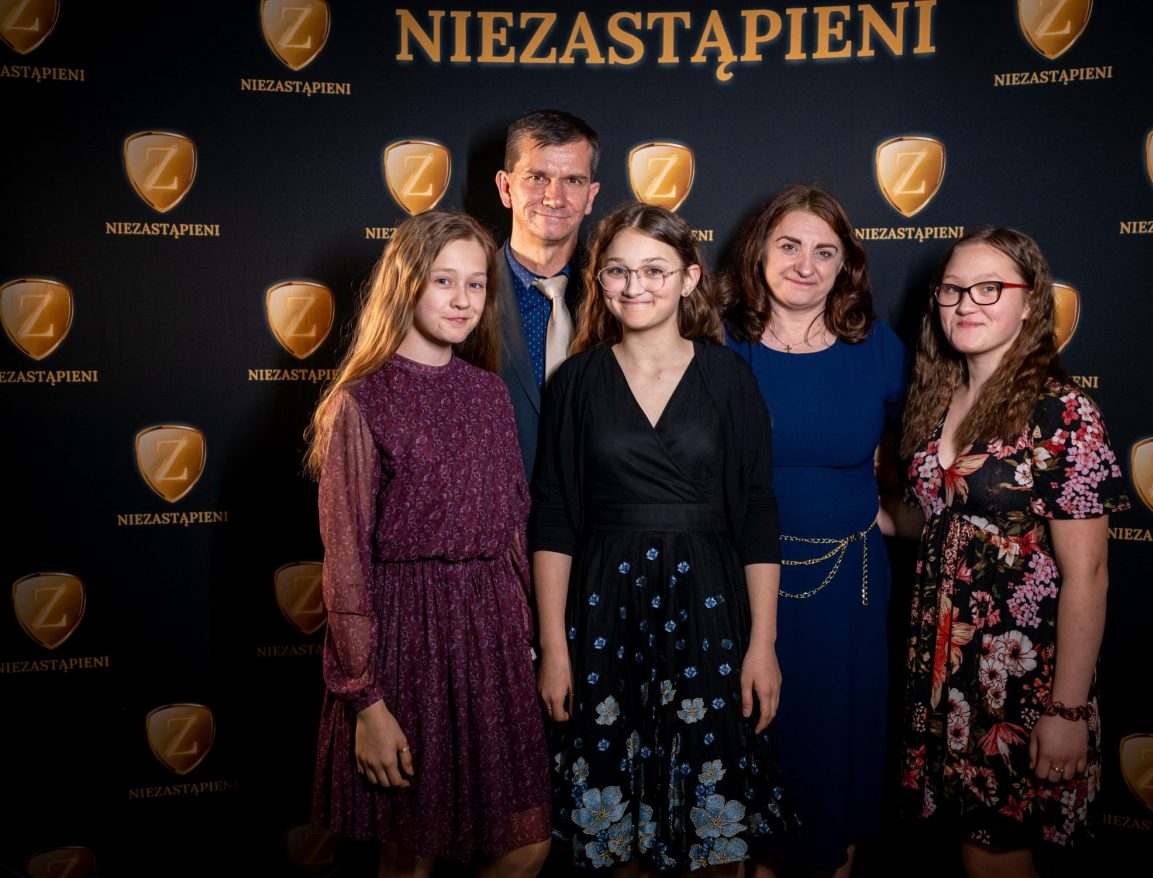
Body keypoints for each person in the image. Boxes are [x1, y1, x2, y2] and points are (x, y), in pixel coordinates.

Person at [531, 202, 796, 872]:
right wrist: (554, 647)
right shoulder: (576, 381)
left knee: (716, 831)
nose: (635, 286)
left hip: (707, 609)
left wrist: (762, 643)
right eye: (618, 271)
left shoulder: (729, 376)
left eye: (654, 270)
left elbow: (757, 514)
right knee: (612, 832)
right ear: (600, 280)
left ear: (688, 279)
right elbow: (554, 517)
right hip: (603, 614)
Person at [305, 211, 550, 878]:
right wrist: (365, 702)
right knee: (411, 856)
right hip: (407, 638)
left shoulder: (489, 394)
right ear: (405, 283)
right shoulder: (362, 401)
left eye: (477, 283)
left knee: (528, 842)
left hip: (491, 636)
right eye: (444, 280)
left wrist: (528, 639)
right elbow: (346, 564)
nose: (463, 299)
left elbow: (513, 529)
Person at [879, 227, 1128, 878]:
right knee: (965, 855)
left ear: (1030, 303)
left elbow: (1089, 574)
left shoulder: (1063, 414)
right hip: (939, 668)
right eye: (953, 289)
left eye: (989, 288)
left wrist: (1066, 710)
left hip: (1016, 677)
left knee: (997, 859)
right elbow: (931, 521)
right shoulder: (934, 402)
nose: (966, 302)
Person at [722, 185, 906, 878]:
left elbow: (925, 458)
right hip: (739, 582)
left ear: (846, 263)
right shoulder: (718, 344)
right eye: (790, 245)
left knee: (832, 775)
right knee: (748, 773)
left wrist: (876, 514)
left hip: (846, 592)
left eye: (825, 251)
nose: (806, 265)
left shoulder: (878, 348)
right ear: (758, 252)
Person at [494, 108, 601, 477]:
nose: (555, 198)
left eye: (573, 180)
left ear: (590, 196)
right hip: (494, 507)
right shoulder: (466, 294)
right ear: (506, 187)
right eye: (537, 178)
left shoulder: (621, 296)